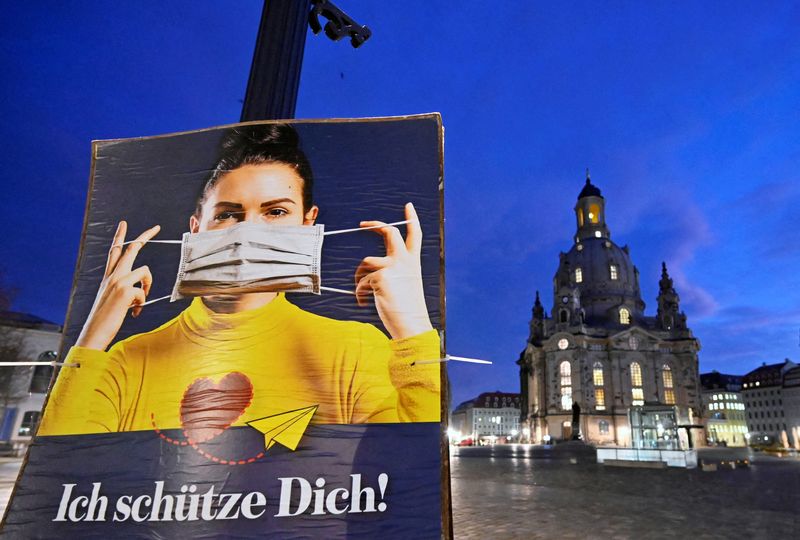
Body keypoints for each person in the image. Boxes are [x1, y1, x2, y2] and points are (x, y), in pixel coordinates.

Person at [39, 124, 440, 437]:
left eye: (276, 212)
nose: (249, 231)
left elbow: (405, 482)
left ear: (308, 222)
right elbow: (63, 485)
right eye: (228, 214)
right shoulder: (126, 362)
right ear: (196, 228)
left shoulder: (358, 351)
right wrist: (90, 340)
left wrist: (414, 329)